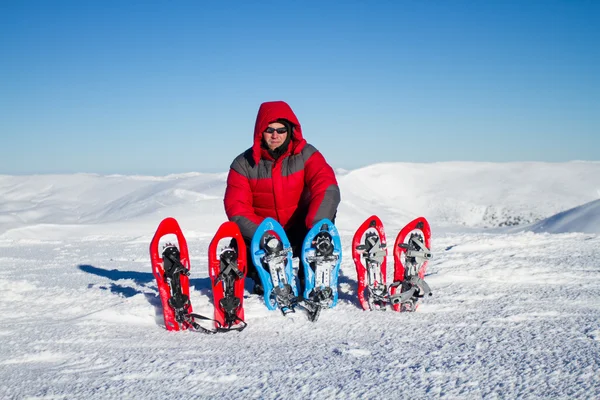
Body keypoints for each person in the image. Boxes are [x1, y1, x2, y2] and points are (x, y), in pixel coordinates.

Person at [224, 100, 340, 294]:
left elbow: (327, 188)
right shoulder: (243, 164)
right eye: (269, 130)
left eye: (281, 130)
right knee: (240, 241)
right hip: (264, 236)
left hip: (301, 231)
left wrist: (316, 225)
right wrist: (266, 236)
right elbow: (237, 208)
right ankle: (265, 275)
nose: (275, 135)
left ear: (290, 131)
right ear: (260, 131)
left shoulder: (307, 155)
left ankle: (311, 272)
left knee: (324, 217)